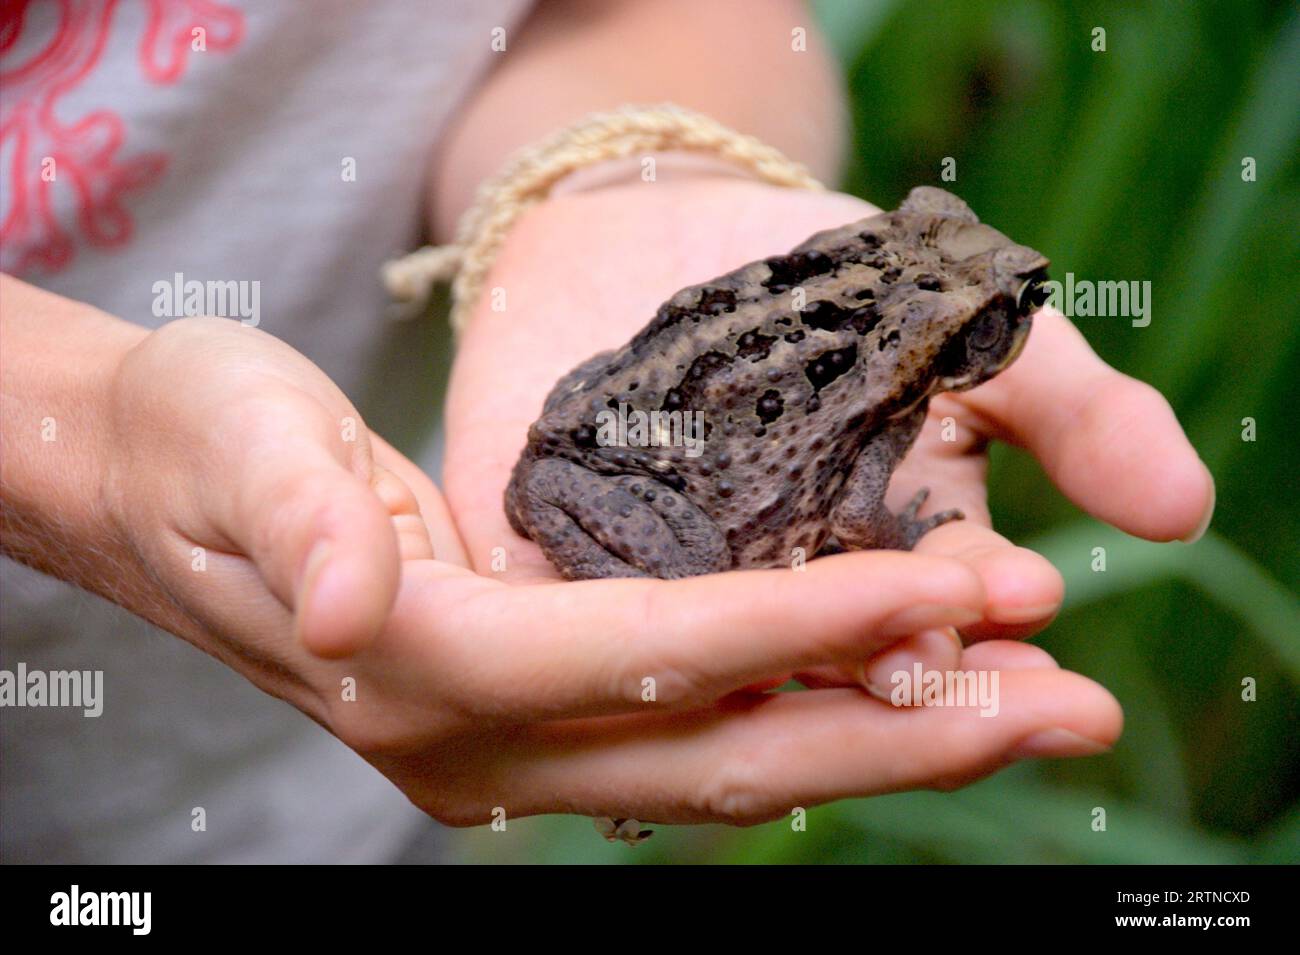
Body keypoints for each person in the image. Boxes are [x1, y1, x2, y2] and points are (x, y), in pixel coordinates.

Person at [0, 0, 1212, 862]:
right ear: (954, 350)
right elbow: (855, 511)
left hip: (336, 801)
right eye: (1001, 313)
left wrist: (614, 176)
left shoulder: (891, 375)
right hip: (578, 495)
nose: (1012, 316)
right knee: (705, 605)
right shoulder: (895, 405)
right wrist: (88, 443)